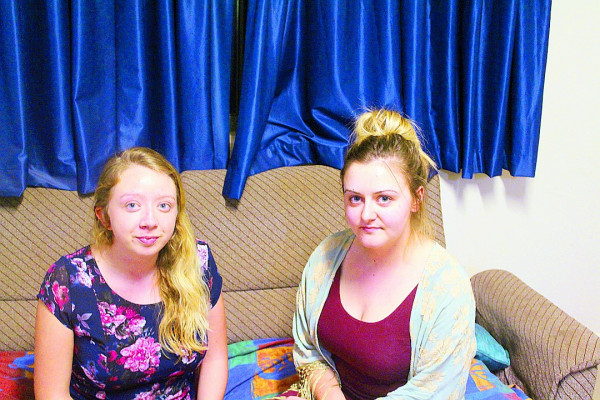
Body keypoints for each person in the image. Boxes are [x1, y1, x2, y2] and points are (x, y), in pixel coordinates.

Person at [281, 109, 476, 400]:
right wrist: (330, 393)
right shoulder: (326, 255)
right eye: (355, 198)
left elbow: (434, 392)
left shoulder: (448, 288)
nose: (366, 215)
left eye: (384, 198)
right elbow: (308, 350)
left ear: (417, 199)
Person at [34, 147, 228, 400]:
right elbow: (52, 394)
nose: (150, 221)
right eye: (132, 205)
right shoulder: (67, 280)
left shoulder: (198, 261)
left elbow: (214, 360)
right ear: (104, 217)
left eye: (164, 205)